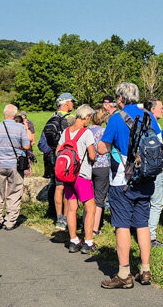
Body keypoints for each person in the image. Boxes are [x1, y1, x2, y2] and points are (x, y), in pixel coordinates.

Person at [96, 81, 161, 288]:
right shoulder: (149, 116)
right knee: (142, 224)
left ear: (120, 99)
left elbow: (102, 149)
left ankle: (124, 273)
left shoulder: (116, 119)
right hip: (147, 177)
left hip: (122, 179)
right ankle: (145, 269)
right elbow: (158, 142)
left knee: (122, 225)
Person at [58, 105, 98, 252]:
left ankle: (73, 240)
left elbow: (58, 151)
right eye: (89, 117)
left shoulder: (66, 132)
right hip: (81, 175)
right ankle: (88, 242)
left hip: (67, 175)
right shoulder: (86, 133)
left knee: (72, 208)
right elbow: (92, 155)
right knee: (90, 208)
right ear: (86, 117)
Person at [0, 104, 31, 231]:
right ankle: (10, 222)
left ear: (4, 113)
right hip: (15, 165)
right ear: (15, 114)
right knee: (14, 192)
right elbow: (26, 146)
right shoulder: (20, 128)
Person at [41, 92, 75, 227]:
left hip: (55, 154)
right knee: (67, 187)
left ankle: (58, 217)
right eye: (72, 102)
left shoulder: (52, 117)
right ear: (67, 103)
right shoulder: (68, 119)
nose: (73, 104)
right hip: (66, 155)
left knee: (58, 186)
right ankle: (66, 217)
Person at [145, 98, 163, 248]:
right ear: (153, 109)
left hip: (144, 168)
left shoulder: (143, 123)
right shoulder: (154, 124)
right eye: (161, 107)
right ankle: (151, 236)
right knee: (156, 203)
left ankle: (141, 230)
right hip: (156, 168)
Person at [87, 106, 113, 248]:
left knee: (87, 197)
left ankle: (87, 223)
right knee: (99, 198)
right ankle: (95, 228)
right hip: (102, 166)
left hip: (88, 166)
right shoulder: (104, 132)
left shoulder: (86, 131)